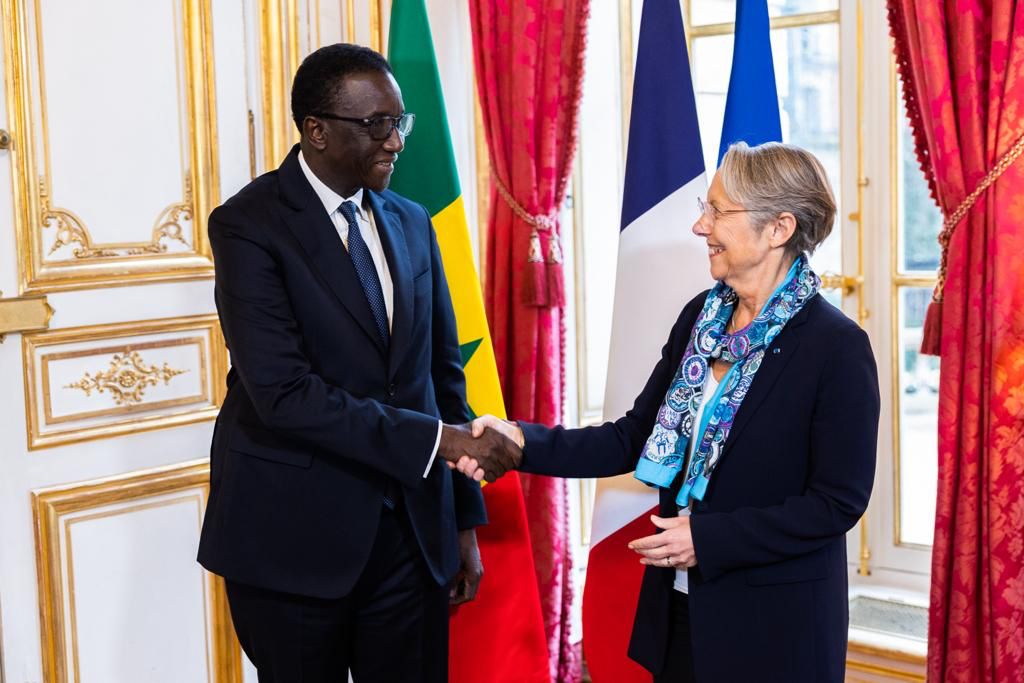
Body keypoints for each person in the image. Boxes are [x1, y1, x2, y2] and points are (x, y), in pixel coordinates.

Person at [463, 142, 880, 682]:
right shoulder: (699, 320)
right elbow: (633, 437)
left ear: (778, 228)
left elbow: (835, 503)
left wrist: (707, 539)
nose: (700, 227)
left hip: (776, 629)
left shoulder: (835, 347)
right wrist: (519, 441)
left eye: (718, 211)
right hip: (681, 613)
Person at [197, 44, 519, 683]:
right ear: (316, 130)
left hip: (412, 537)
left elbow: (441, 376)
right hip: (295, 540)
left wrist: (460, 524)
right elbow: (284, 393)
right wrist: (439, 441)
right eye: (377, 124)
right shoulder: (247, 226)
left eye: (401, 122)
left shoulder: (411, 219)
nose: (395, 140)